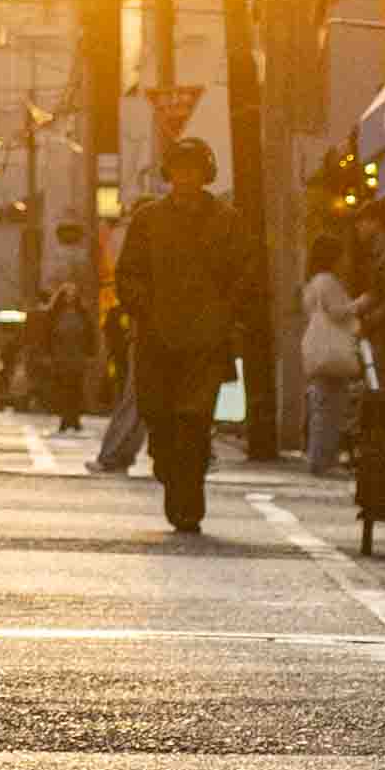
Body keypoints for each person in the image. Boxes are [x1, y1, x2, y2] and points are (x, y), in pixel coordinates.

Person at [111, 120, 252, 542]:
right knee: (159, 418)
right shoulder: (148, 219)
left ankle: (189, 506)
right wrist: (145, 309)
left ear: (205, 174)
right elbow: (128, 273)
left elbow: (244, 275)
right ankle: (170, 472)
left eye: (193, 169)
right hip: (156, 340)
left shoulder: (227, 220)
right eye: (178, 170)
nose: (185, 178)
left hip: (205, 342)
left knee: (193, 422)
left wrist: (226, 314)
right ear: (168, 175)